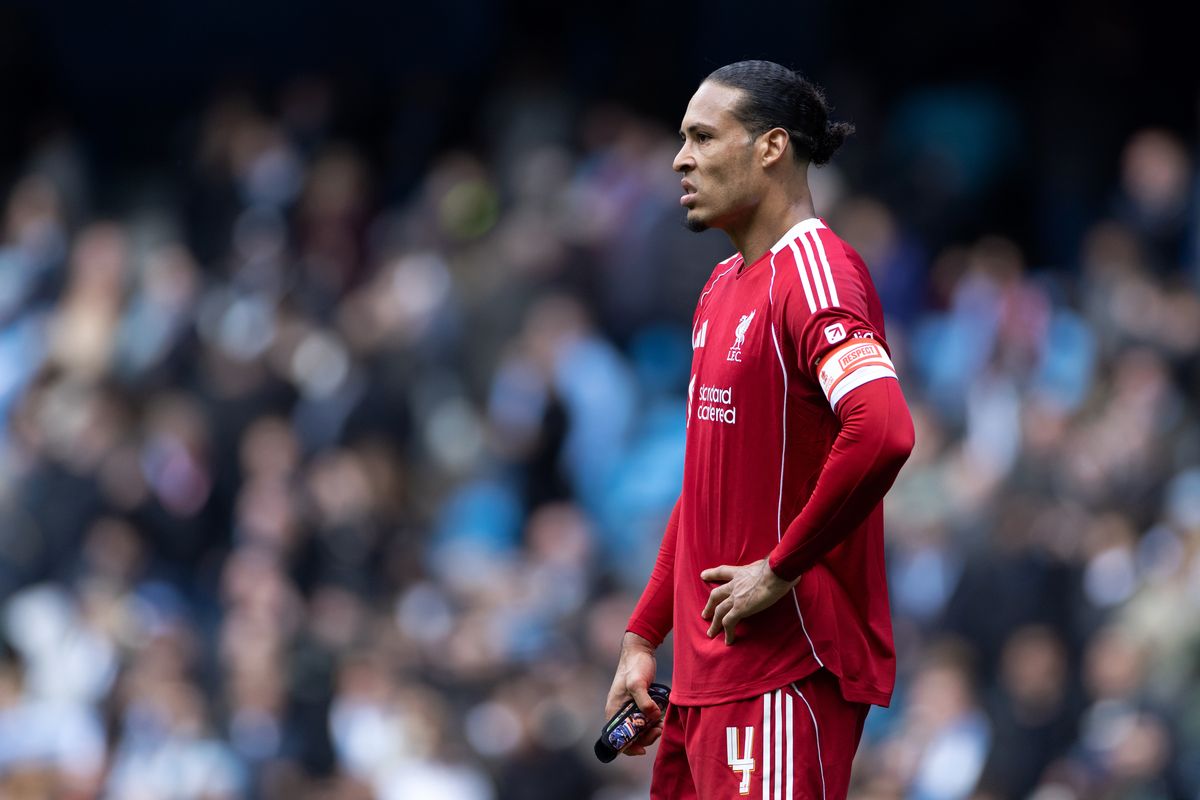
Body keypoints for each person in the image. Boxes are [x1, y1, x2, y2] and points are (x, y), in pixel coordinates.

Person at [604, 60, 915, 799]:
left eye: (703, 137)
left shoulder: (817, 274)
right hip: (705, 680)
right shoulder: (719, 289)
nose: (680, 157)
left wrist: (779, 569)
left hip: (783, 670)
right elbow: (707, 487)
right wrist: (644, 636)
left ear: (771, 147)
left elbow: (883, 431)